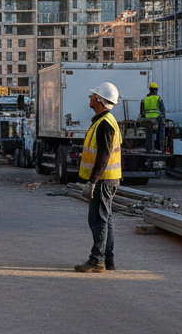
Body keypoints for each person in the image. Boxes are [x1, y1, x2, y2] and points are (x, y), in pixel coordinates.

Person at [74, 82, 122, 273]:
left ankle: (97, 260)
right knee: (106, 219)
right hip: (107, 179)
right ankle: (107, 260)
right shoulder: (103, 121)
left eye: (93, 95)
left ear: (100, 100)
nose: (90, 97)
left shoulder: (105, 124)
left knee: (98, 220)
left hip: (104, 180)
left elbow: (104, 155)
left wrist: (92, 181)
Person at [140, 81, 166, 153]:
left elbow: (142, 112)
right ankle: (162, 148)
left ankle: (148, 148)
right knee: (161, 132)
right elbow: (162, 110)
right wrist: (163, 120)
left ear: (150, 90)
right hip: (157, 119)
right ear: (156, 90)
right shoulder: (158, 99)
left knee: (149, 135)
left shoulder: (144, 100)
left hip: (147, 120)